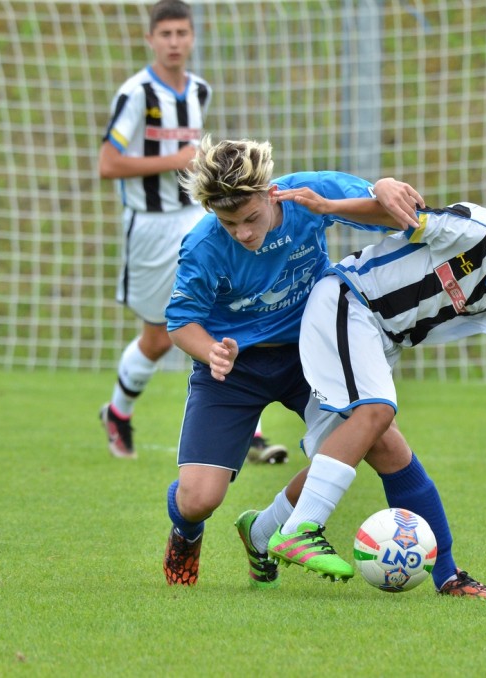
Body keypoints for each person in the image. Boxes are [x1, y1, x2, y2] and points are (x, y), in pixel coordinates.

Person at [249, 188, 486, 598]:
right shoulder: (475, 230)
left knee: (386, 451)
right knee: (378, 411)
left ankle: (262, 532)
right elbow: (398, 216)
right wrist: (330, 208)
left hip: (381, 340)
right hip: (349, 300)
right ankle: (301, 529)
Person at [161, 135, 424, 586]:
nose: (243, 232)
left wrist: (381, 186)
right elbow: (181, 320)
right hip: (234, 368)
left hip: (309, 353)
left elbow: (389, 216)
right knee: (199, 499)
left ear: (270, 193)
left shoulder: (306, 194)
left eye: (251, 218)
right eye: (229, 222)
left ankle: (265, 532)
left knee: (375, 438)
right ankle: (186, 533)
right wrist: (212, 352)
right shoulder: (202, 246)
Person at [95, 0, 285, 462]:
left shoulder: (199, 91)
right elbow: (108, 163)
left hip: (194, 221)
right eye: (166, 35)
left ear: (192, 38)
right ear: (151, 40)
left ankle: (251, 432)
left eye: (182, 33)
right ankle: (118, 413)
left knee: (222, 311)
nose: (175, 42)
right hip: (148, 229)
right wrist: (174, 161)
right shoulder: (137, 94)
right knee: (159, 337)